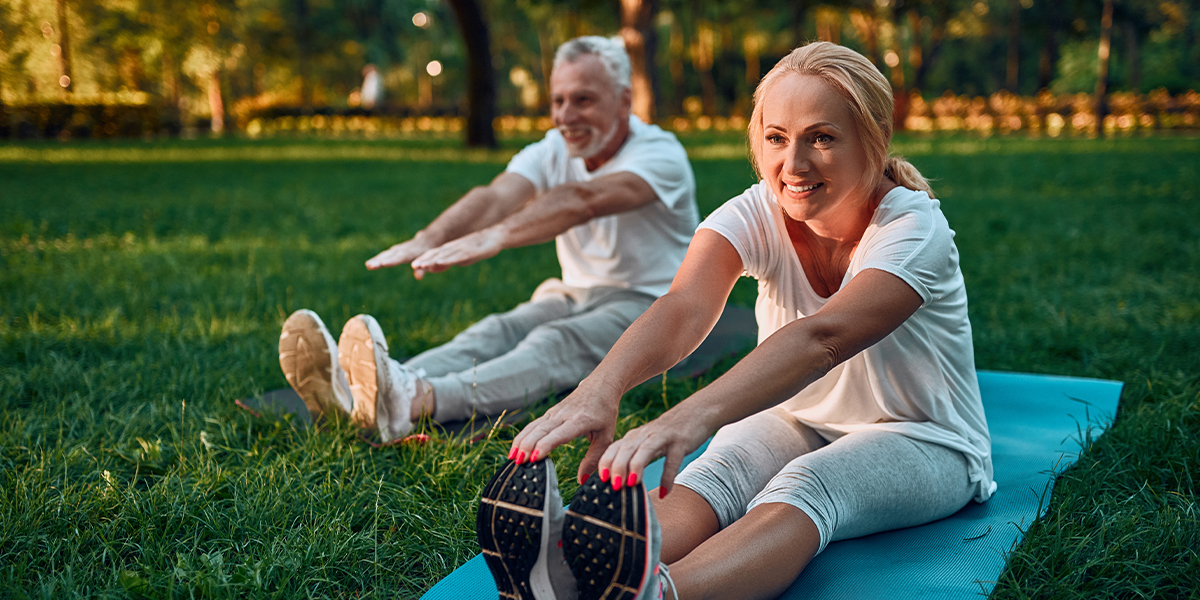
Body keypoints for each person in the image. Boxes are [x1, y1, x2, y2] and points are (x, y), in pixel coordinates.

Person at [480, 41, 995, 600]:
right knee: (715, 470)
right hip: (797, 417)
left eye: (821, 138)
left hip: (925, 439)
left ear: (873, 139)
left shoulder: (913, 231)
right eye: (776, 139)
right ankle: (566, 577)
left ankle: (656, 595)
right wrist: (600, 390)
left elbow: (823, 337)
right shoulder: (757, 210)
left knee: (808, 485)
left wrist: (686, 417)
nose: (793, 165)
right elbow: (684, 306)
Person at [277, 36, 698, 444]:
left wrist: (497, 236)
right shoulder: (554, 147)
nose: (566, 116)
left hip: (653, 300)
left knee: (555, 342)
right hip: (574, 291)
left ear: (624, 101)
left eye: (583, 100)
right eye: (558, 101)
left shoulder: (661, 155)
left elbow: (583, 200)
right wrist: (427, 238)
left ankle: (416, 400)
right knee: (493, 332)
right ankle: (362, 390)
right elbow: (496, 196)